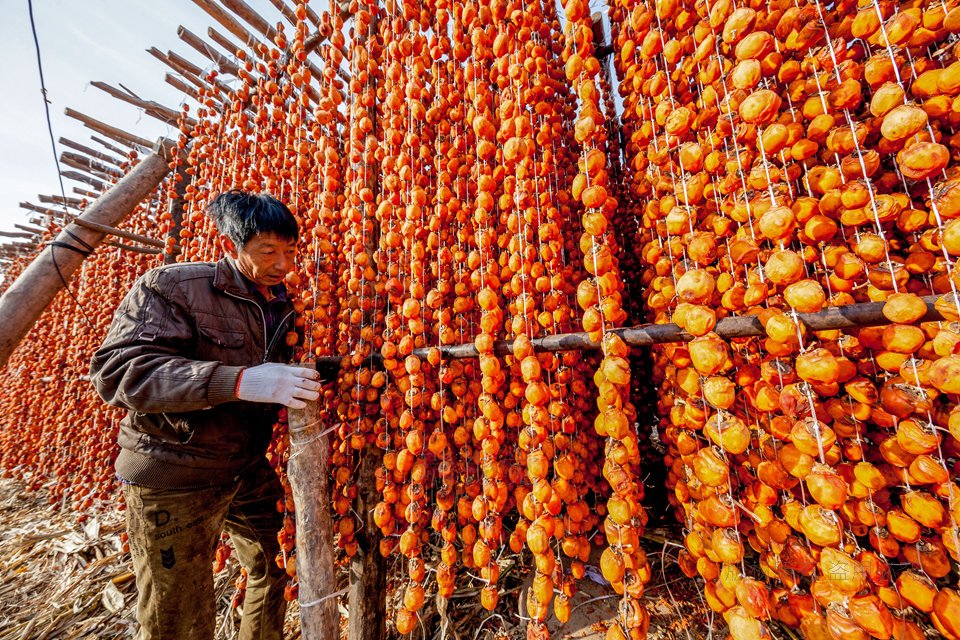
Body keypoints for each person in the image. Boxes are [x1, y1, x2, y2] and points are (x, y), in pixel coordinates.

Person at [90, 190, 324, 640]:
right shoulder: (172, 287)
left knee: (280, 565)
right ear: (232, 246)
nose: (283, 264)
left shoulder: (284, 304)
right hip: (173, 472)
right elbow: (118, 374)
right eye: (268, 251)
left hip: (242, 467)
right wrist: (237, 381)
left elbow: (284, 367)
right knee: (177, 613)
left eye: (291, 251)